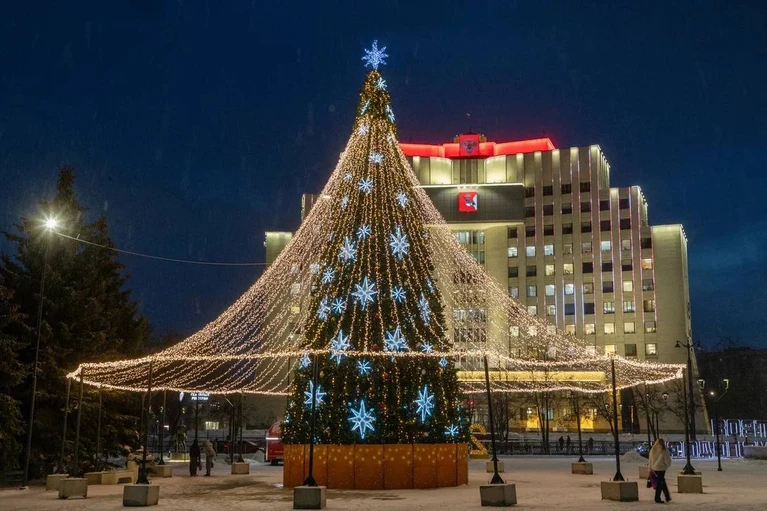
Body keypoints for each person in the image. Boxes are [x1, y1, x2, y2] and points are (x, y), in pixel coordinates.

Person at [648, 438, 672, 503]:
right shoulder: (664, 450)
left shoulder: (653, 449)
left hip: (654, 468)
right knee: (660, 483)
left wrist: (650, 468)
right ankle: (657, 498)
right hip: (661, 468)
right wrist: (667, 465)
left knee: (662, 481)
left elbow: (650, 459)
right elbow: (667, 460)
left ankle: (667, 496)